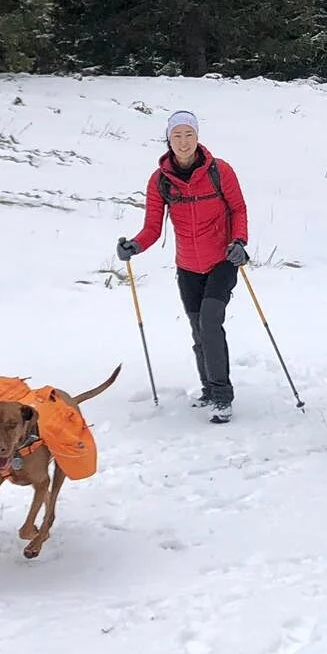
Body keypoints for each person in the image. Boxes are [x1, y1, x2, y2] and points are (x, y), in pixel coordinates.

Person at [116, 111, 250, 423]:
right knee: (198, 328)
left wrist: (239, 242)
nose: (184, 141)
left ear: (197, 137)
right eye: (177, 135)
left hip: (222, 259)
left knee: (210, 322)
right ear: (169, 139)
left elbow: (238, 209)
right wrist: (134, 245)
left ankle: (222, 397)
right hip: (188, 265)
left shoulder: (220, 171)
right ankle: (208, 389)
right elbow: (152, 227)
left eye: (189, 134)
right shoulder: (160, 180)